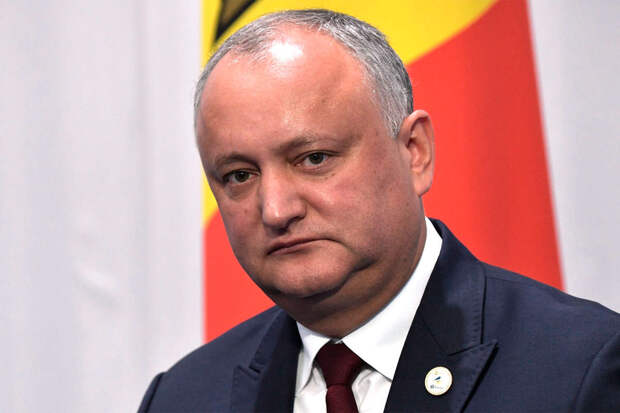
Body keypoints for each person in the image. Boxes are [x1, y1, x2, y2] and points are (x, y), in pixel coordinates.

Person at [139, 9, 620, 413]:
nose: (277, 209)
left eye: (314, 158)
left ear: (415, 152)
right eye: (240, 175)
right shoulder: (182, 399)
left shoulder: (580, 369)